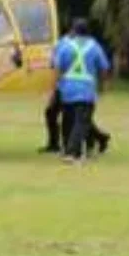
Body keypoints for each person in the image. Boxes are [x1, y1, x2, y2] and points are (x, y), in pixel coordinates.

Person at [52, 18, 111, 164]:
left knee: (70, 121)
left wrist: (57, 86)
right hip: (86, 90)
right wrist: (102, 85)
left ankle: (70, 150)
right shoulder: (94, 46)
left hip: (67, 90)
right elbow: (104, 68)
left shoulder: (66, 46)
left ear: (74, 31)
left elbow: (57, 67)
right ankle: (72, 153)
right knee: (82, 122)